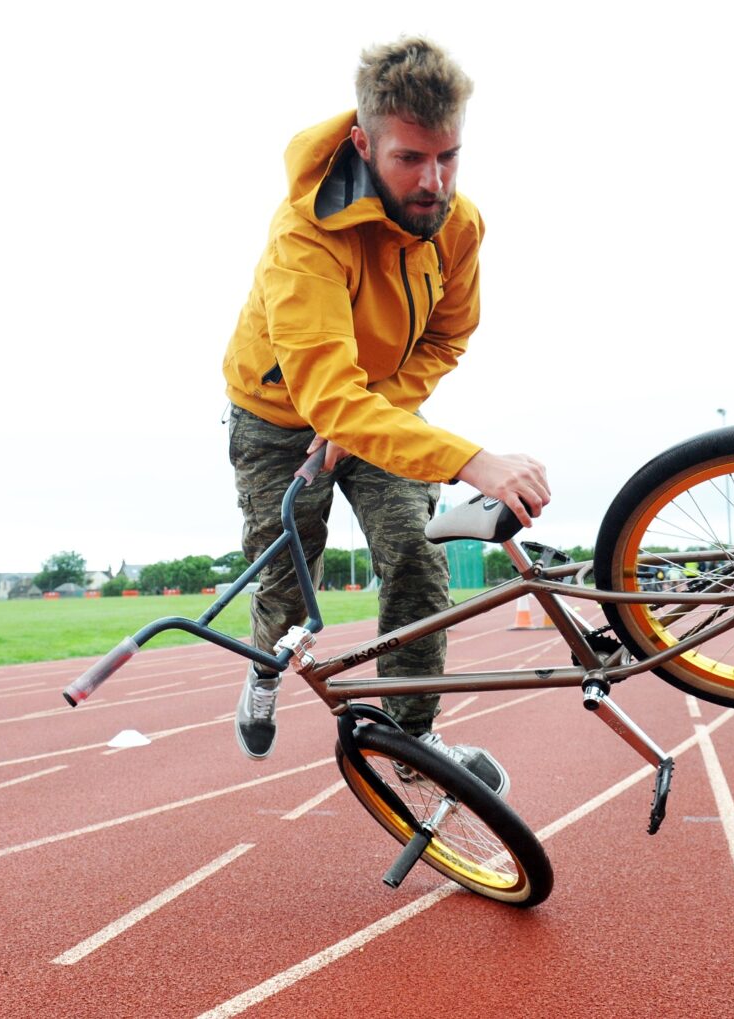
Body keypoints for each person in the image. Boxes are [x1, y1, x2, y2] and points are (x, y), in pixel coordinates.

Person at [221, 38, 550, 796]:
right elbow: (326, 398)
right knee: (284, 575)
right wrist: (474, 460)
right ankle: (264, 667)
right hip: (275, 416)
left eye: (450, 157)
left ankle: (412, 733)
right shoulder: (302, 239)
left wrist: (380, 406)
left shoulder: (459, 224)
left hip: (380, 404)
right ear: (365, 144)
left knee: (414, 554)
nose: (434, 182)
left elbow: (447, 335)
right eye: (410, 159)